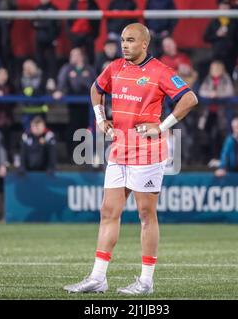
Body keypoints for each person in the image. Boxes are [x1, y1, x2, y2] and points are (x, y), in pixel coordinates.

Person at [63, 23, 198, 295]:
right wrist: (101, 119)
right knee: (108, 212)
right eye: (124, 40)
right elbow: (96, 88)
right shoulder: (115, 68)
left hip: (147, 152)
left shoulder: (160, 71)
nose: (125, 45)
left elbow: (190, 98)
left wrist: (161, 127)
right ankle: (98, 278)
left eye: (131, 40)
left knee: (146, 215)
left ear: (145, 44)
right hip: (119, 150)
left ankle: (146, 281)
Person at [53, 48, 96, 159]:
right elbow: (61, 82)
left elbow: (95, 84)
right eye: (71, 55)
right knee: (73, 129)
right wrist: (59, 91)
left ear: (81, 56)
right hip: (73, 106)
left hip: (88, 106)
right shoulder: (67, 69)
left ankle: (88, 155)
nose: (72, 57)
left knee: (87, 129)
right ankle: (71, 155)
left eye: (75, 54)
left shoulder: (89, 69)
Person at [198, 60, 235, 164]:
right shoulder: (208, 79)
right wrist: (210, 94)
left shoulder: (226, 79)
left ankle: (219, 158)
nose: (214, 70)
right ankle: (208, 158)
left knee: (219, 135)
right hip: (208, 112)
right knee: (207, 135)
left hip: (222, 113)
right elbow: (201, 91)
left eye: (216, 68)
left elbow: (229, 92)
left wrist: (217, 94)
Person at [204, 0, 238, 76]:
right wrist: (217, 34)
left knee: (229, 76)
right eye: (222, 5)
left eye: (226, 5)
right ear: (219, 7)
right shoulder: (214, 21)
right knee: (216, 76)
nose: (224, 7)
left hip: (231, 55)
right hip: (217, 55)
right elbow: (206, 37)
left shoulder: (235, 21)